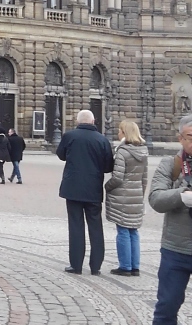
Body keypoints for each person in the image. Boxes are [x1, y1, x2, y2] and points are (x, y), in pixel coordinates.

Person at [145, 115, 192, 325]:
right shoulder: (171, 165)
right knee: (167, 305)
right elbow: (155, 198)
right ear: (180, 139)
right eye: (190, 137)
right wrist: (181, 196)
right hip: (176, 247)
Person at [57, 109, 114, 274]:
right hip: (93, 189)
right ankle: (95, 266)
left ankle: (76, 264)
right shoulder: (102, 140)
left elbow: (61, 155)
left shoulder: (70, 136)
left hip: (73, 188)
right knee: (95, 227)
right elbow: (108, 167)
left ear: (78, 122)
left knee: (76, 226)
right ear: (94, 121)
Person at [105, 119, 148, 276]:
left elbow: (117, 177)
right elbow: (144, 179)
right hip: (136, 195)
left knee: (122, 230)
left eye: (120, 130)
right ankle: (135, 266)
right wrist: (139, 194)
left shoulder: (122, 151)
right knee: (133, 231)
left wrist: (107, 187)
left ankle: (125, 266)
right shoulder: (143, 151)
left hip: (121, 197)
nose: (118, 133)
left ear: (125, 133)